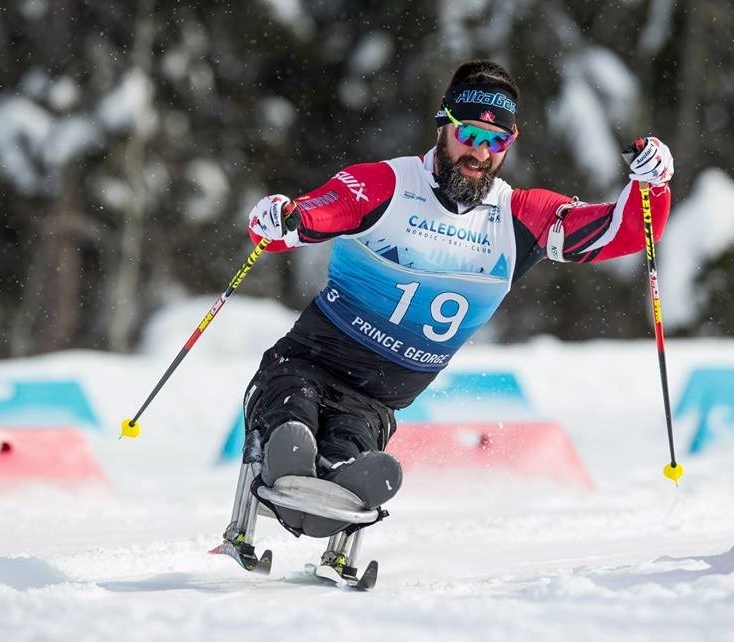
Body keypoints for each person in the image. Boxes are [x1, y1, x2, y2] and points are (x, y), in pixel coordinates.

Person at [230, 59, 673, 540]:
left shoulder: (518, 217)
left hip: (376, 400)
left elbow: (622, 232)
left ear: (510, 143)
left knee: (350, 447)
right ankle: (287, 450)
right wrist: (284, 218)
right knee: (292, 413)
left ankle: (338, 478)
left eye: (496, 141)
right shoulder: (390, 184)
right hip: (307, 364)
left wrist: (651, 185)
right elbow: (318, 212)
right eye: (469, 135)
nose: (479, 153)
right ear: (443, 125)